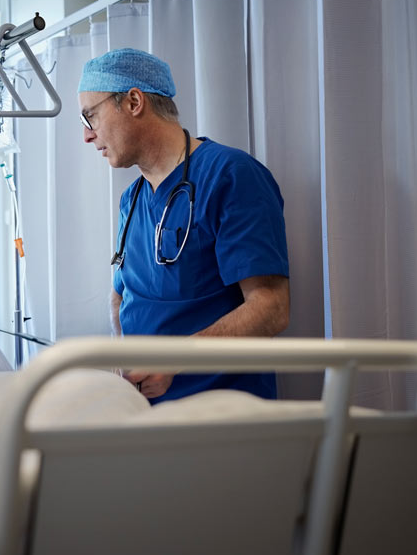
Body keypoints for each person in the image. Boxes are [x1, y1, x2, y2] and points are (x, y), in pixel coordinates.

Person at [78, 48, 290, 403]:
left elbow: (271, 307)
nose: (87, 136)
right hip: (142, 408)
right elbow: (122, 294)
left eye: (90, 117)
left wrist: (175, 360)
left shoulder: (230, 175)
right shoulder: (132, 199)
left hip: (218, 410)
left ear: (133, 102)